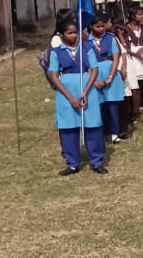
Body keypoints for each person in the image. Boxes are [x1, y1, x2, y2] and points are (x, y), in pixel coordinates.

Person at [46, 20, 107, 175]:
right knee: (68, 127)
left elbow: (94, 70)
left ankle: (97, 161)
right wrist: (70, 97)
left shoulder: (87, 48)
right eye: (70, 33)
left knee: (92, 125)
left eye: (75, 32)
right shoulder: (56, 52)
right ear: (61, 35)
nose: (74, 36)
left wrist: (86, 91)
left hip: (87, 88)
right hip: (66, 91)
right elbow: (54, 76)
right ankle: (72, 163)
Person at [86, 14, 127, 144]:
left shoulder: (111, 38)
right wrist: (94, 80)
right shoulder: (86, 41)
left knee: (112, 104)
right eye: (97, 27)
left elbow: (116, 58)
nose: (101, 29)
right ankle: (101, 134)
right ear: (91, 27)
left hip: (110, 71)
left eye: (102, 26)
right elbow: (85, 63)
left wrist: (110, 77)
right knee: (98, 105)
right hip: (94, 73)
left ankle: (115, 133)